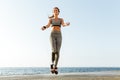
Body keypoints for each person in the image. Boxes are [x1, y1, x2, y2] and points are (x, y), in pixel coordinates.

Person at [41, 7, 70, 74]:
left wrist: (66, 24)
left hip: (59, 35)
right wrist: (44, 27)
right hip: (52, 35)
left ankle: (55, 67)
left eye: (56, 10)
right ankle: (52, 64)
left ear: (58, 12)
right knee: (54, 50)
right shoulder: (51, 20)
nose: (55, 11)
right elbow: (48, 25)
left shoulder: (61, 19)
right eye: (54, 11)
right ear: (53, 12)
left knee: (58, 52)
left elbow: (63, 24)